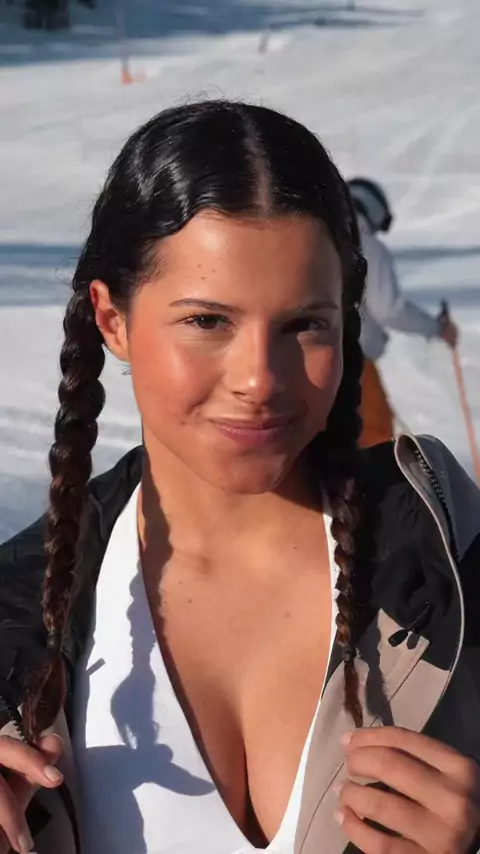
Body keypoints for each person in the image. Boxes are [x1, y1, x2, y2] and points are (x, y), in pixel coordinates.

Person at [0, 101, 479, 854]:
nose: (260, 379)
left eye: (304, 325)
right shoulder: (18, 617)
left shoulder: (447, 559)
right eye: (208, 321)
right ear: (112, 320)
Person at [348, 177, 459, 448]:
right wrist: (436, 327)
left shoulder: (320, 240)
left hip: (312, 361)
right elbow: (389, 309)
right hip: (353, 362)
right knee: (374, 439)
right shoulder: (367, 246)